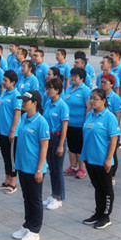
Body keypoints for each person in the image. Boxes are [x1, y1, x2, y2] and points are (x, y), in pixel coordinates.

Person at [11, 90, 50, 240]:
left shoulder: (41, 122)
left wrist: (39, 169)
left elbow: (44, 147)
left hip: (34, 168)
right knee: (26, 198)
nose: (23, 103)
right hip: (23, 165)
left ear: (34, 103)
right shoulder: (23, 118)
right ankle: (27, 224)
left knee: (35, 199)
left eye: (26, 101)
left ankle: (35, 230)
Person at [80, 88, 120, 230]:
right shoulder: (90, 115)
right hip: (90, 158)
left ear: (103, 101)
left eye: (95, 99)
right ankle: (98, 212)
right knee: (97, 187)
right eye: (91, 98)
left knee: (106, 188)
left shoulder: (109, 117)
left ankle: (105, 215)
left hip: (102, 159)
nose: (92, 101)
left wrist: (109, 158)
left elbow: (114, 139)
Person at [42, 77, 68, 211]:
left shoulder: (62, 106)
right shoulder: (48, 103)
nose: (47, 91)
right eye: (47, 88)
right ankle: (53, 194)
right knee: (52, 169)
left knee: (58, 169)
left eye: (50, 89)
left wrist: (61, 145)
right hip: (49, 138)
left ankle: (59, 197)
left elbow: (64, 126)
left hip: (58, 138)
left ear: (57, 90)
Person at [0, 70, 21, 194]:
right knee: (5, 157)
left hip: (11, 132)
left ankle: (13, 183)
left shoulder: (16, 95)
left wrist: (12, 131)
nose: (3, 82)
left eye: (6, 80)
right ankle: (7, 180)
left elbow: (17, 114)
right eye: (3, 80)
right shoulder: (4, 93)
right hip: (2, 131)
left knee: (12, 158)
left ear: (13, 82)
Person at [64, 67, 91, 179]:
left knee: (80, 147)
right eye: (72, 75)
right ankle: (73, 166)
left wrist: (86, 123)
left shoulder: (85, 90)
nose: (73, 78)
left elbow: (89, 107)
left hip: (80, 124)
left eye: (75, 76)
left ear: (82, 78)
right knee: (71, 146)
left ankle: (81, 168)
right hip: (69, 123)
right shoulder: (69, 88)